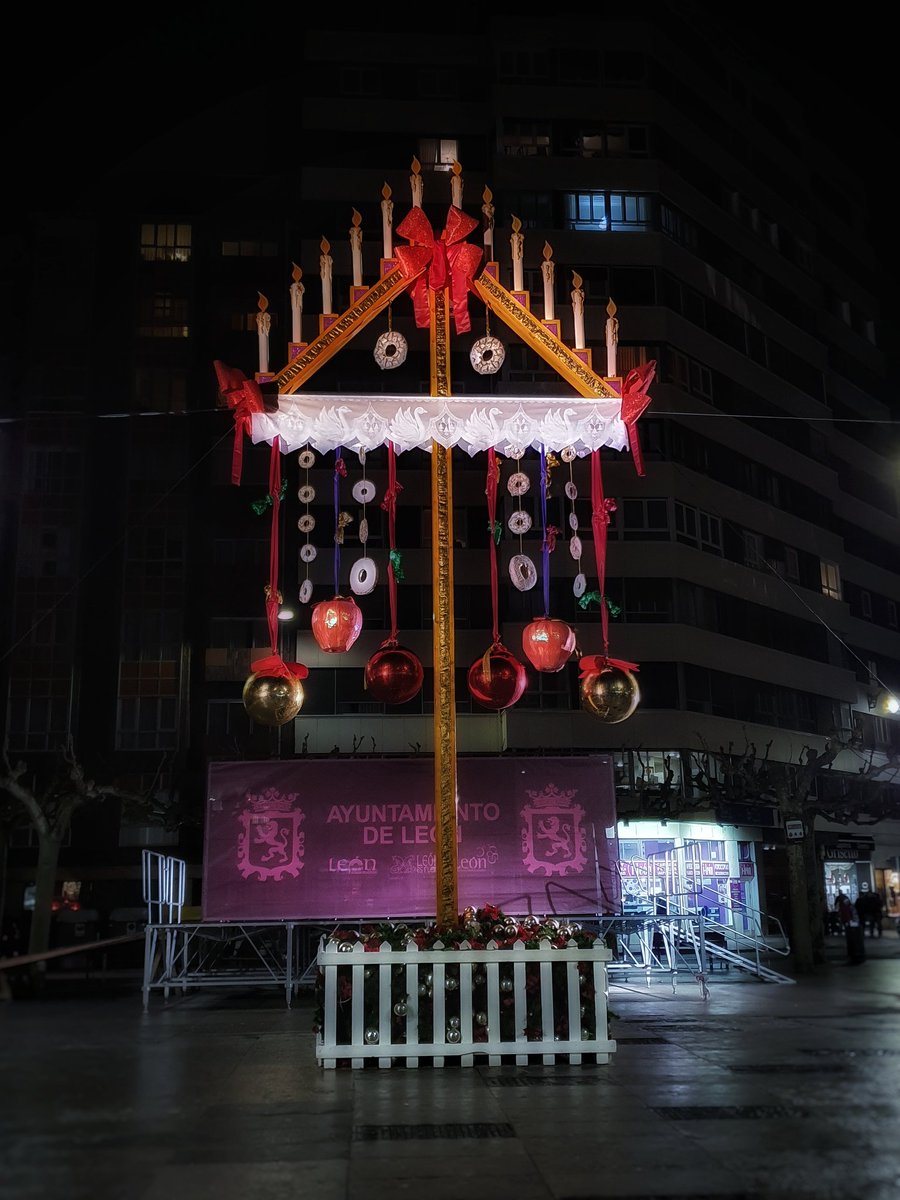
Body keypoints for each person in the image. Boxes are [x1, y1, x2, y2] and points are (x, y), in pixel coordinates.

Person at [838, 892, 865, 964]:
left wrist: (850, 922)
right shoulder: (847, 906)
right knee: (854, 941)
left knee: (853, 941)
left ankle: (855, 956)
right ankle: (855, 956)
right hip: (851, 924)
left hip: (851, 925)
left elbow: (849, 915)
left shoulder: (846, 906)